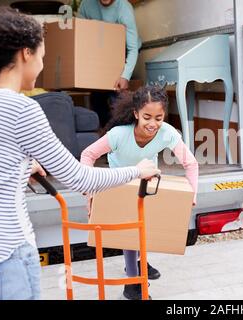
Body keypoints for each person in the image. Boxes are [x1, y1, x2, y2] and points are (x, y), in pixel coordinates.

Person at [0, 10, 160, 300]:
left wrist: (22, 164)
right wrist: (137, 170)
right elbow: (79, 178)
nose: (44, 64)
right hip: (8, 254)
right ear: (25, 53)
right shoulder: (22, 109)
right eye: (42, 55)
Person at [80, 85, 198, 300]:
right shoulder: (118, 135)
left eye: (159, 118)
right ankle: (132, 284)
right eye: (147, 117)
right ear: (136, 113)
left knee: (144, 227)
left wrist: (193, 194)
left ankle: (138, 262)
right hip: (120, 183)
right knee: (129, 233)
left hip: (146, 181)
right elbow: (88, 155)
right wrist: (89, 192)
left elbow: (191, 163)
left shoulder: (167, 133)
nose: (153, 124)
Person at [78, 0, 142, 127]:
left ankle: (120, 131)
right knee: (97, 96)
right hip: (99, 50)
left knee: (116, 94)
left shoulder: (124, 8)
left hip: (123, 49)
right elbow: (79, 33)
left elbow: (132, 48)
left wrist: (125, 76)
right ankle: (103, 133)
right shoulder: (86, 5)